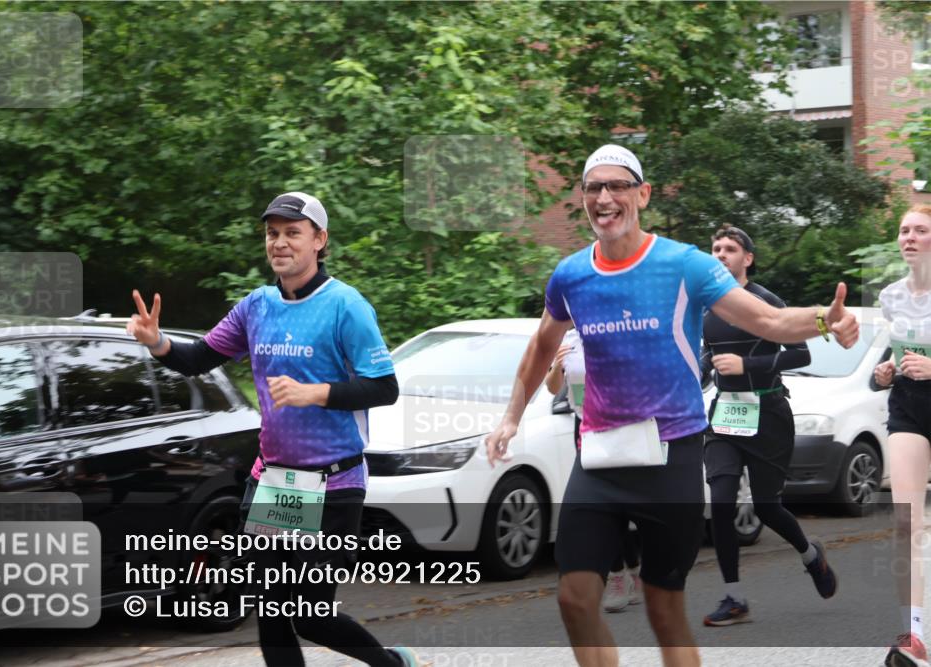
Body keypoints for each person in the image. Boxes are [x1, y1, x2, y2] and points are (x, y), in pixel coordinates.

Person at [484, 144, 859, 667]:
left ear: (642, 194)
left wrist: (826, 318)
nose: (605, 198)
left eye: (617, 186)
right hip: (600, 459)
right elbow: (541, 346)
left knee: (664, 610)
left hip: (672, 456)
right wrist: (510, 417)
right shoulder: (570, 275)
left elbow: (769, 322)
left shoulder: (685, 265)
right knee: (573, 597)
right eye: (594, 188)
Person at [127, 192, 419, 667]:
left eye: (292, 233)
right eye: (272, 233)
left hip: (334, 483)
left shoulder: (347, 306)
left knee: (308, 613)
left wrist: (316, 393)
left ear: (319, 241)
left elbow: (384, 387)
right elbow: (200, 358)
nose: (279, 243)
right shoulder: (256, 306)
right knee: (271, 608)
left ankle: (391, 665)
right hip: (278, 482)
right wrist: (158, 342)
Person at [700, 225, 836, 628]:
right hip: (725, 415)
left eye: (729, 248)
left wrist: (749, 365)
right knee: (721, 501)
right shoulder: (706, 305)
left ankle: (810, 555)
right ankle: (734, 597)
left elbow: (801, 353)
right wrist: (707, 364)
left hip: (769, 414)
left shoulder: (766, 302)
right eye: (715, 248)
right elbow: (707, 351)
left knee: (766, 506)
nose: (720, 254)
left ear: (748, 258)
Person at [545, 332, 642, 613]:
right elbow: (554, 388)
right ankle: (617, 576)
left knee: (620, 503)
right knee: (602, 504)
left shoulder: (616, 330)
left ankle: (633, 567)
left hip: (619, 423)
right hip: (585, 426)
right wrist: (555, 365)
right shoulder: (569, 339)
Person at [873, 205, 931, 667]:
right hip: (909, 406)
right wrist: (885, 372)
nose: (909, 236)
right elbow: (885, 361)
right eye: (903, 230)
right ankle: (915, 636)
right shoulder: (890, 295)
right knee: (908, 522)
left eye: (920, 230)